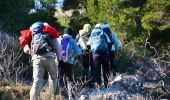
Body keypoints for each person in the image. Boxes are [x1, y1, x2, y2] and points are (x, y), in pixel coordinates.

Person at [23, 22, 61, 100]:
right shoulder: (50, 33)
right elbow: (58, 47)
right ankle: (52, 97)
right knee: (53, 78)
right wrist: (59, 58)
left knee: (36, 82)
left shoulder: (32, 35)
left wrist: (33, 53)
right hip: (49, 57)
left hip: (36, 59)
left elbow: (25, 49)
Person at [57, 27, 82, 99]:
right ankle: (71, 95)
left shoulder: (59, 39)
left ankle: (59, 95)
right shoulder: (72, 40)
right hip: (69, 62)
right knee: (69, 79)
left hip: (59, 61)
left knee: (59, 77)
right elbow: (78, 52)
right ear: (71, 33)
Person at [87, 23, 111, 88]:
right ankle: (106, 84)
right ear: (101, 28)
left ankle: (99, 85)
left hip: (95, 55)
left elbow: (88, 45)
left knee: (97, 70)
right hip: (104, 54)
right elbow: (109, 42)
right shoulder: (104, 33)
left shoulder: (92, 34)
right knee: (106, 69)